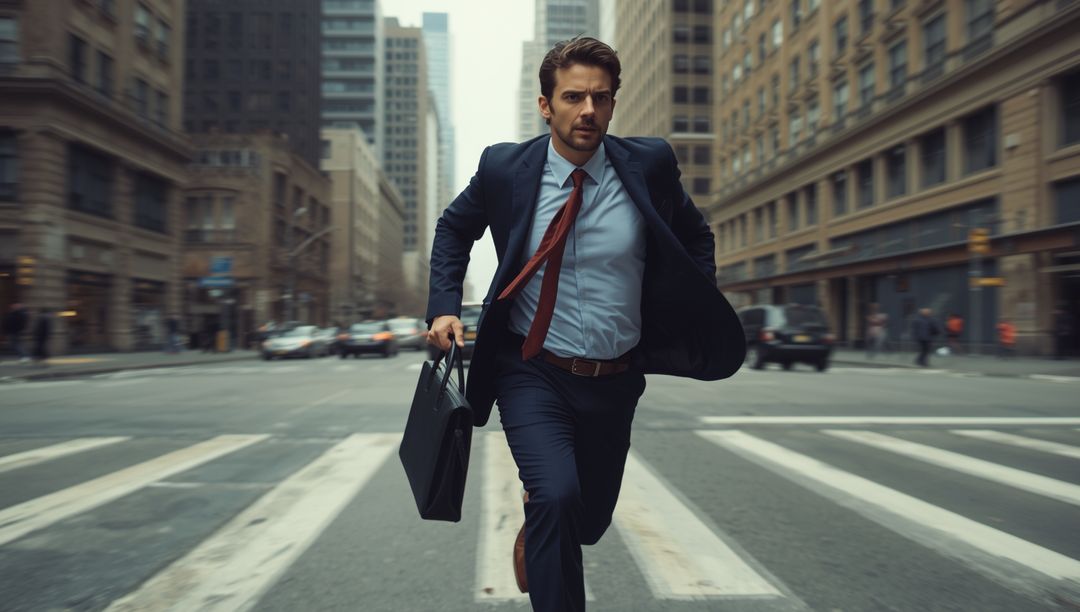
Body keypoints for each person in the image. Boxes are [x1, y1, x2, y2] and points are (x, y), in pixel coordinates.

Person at [424, 38, 744, 612]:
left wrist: (696, 298)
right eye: (573, 97)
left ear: (615, 103)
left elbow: (695, 233)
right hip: (531, 368)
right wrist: (444, 305)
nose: (587, 110)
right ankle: (546, 522)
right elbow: (453, 229)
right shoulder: (505, 169)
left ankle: (543, 527)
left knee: (587, 520)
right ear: (546, 105)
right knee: (557, 495)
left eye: (600, 97)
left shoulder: (649, 165)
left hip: (616, 376)